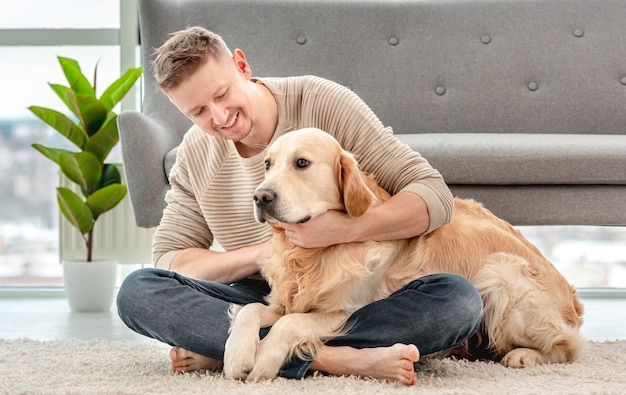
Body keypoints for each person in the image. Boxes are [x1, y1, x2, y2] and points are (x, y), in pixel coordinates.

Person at [116, 26, 482, 386]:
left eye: (223, 94)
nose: (220, 116)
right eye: (198, 111)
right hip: (265, 294)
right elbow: (170, 259)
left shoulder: (323, 103)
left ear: (242, 66)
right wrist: (270, 251)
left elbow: (434, 195)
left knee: (459, 300)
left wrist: (346, 229)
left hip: (351, 296)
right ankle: (335, 359)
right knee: (139, 292)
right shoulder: (196, 153)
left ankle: (237, 348)